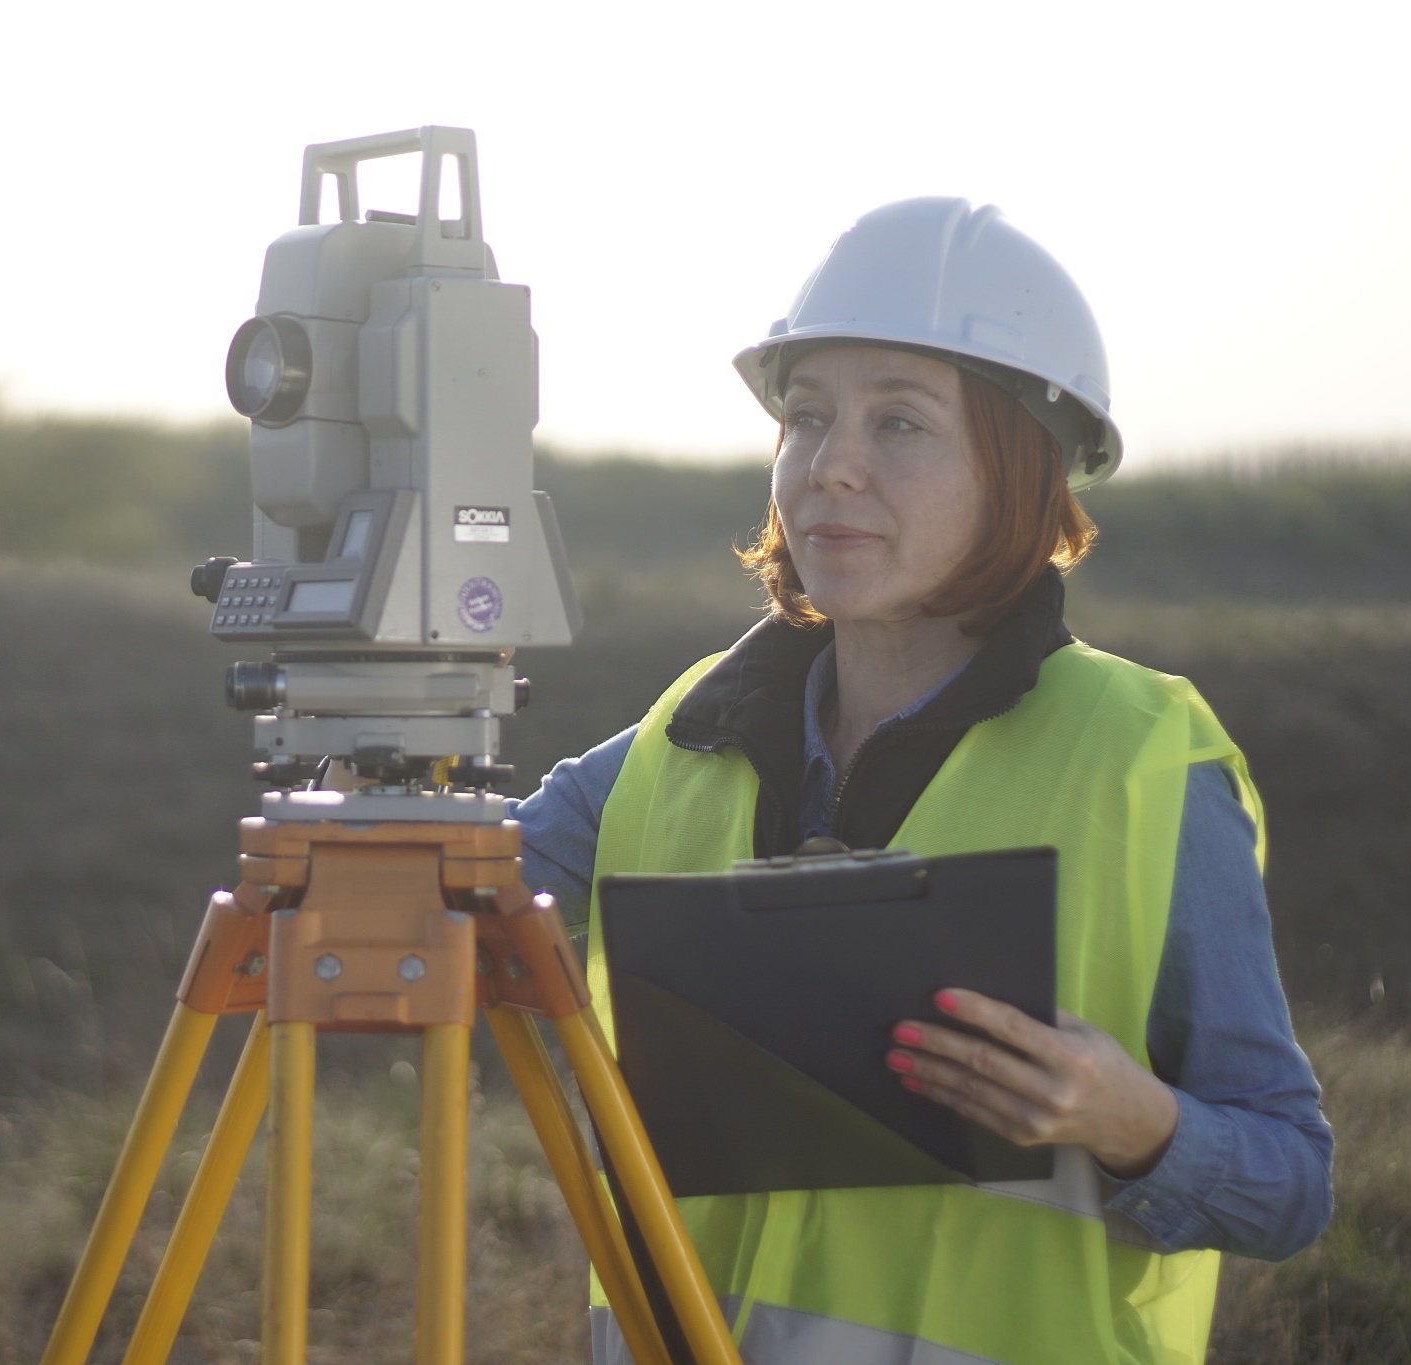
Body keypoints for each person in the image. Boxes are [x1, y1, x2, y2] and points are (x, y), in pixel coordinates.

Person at [509, 198, 1333, 1365]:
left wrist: (1134, 1126)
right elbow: (444, 891)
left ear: (1016, 471)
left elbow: (1288, 1186)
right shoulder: (676, 744)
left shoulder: (1143, 763)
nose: (831, 467)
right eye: (806, 418)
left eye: (898, 423)